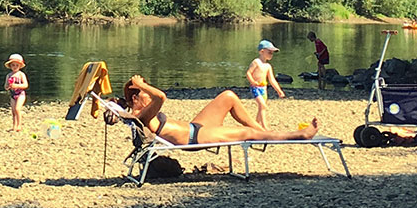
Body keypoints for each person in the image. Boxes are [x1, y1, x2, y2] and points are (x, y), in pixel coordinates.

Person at [114, 75, 318, 144]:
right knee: (247, 133)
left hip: (196, 126)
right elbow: (161, 96)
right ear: (135, 98)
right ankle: (299, 134)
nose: (148, 96)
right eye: (144, 94)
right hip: (197, 137)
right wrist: (142, 85)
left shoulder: (139, 111)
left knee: (228, 96)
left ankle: (265, 134)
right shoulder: (142, 115)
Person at [244, 39, 285, 125]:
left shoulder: (268, 66)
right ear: (262, 51)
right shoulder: (256, 62)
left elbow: (272, 80)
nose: (271, 54)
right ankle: (264, 127)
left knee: (262, 108)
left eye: (272, 53)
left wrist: (279, 90)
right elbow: (248, 73)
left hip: (264, 88)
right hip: (255, 87)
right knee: (262, 105)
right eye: (269, 52)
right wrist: (252, 81)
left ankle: (255, 125)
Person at [4, 53, 28, 129]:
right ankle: (14, 125)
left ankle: (19, 125)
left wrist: (17, 86)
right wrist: (8, 86)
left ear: (20, 66)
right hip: (12, 94)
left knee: (18, 109)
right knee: (13, 110)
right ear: (10, 66)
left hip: (21, 94)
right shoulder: (9, 75)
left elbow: (25, 85)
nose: (15, 67)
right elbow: (5, 86)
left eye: (16, 65)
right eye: (13, 65)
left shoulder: (21, 74)